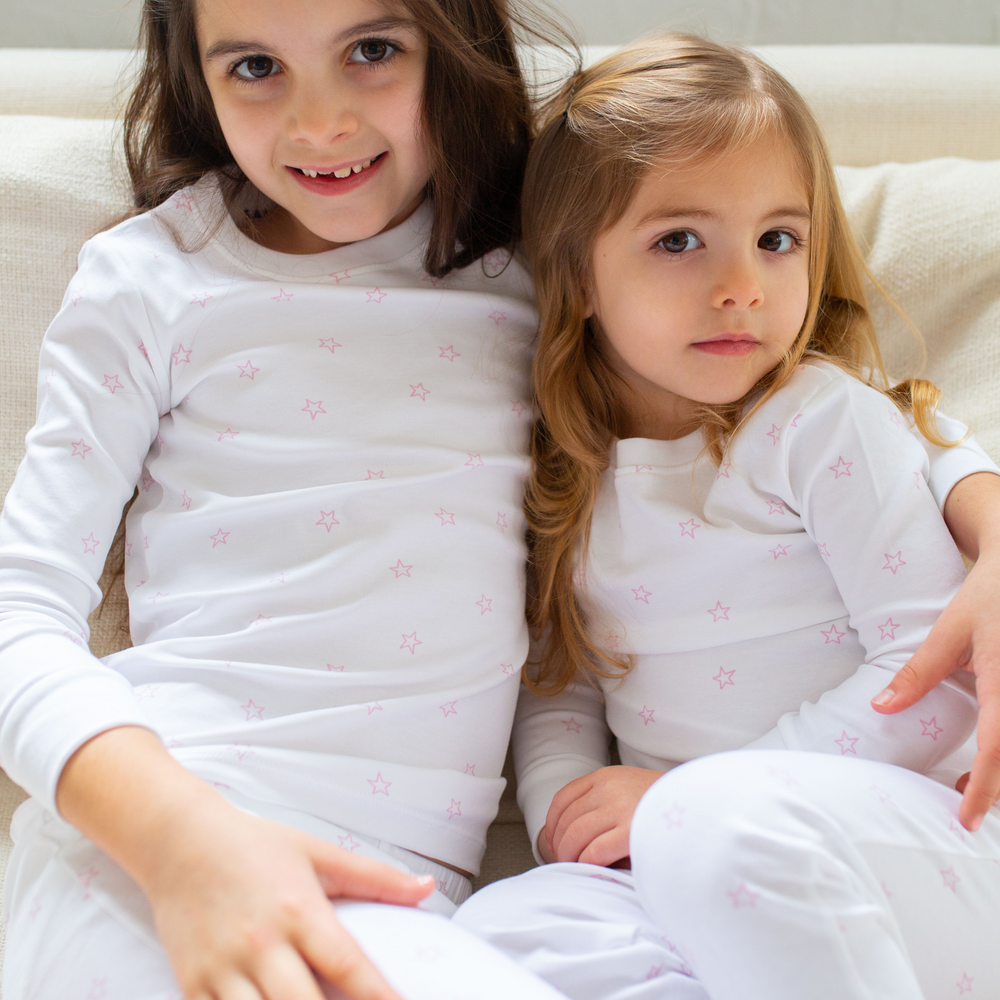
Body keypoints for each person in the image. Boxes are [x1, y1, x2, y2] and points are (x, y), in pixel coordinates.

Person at [0, 1, 573, 998]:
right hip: (152, 837)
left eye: (373, 51)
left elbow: (800, 396)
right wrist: (184, 846)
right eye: (257, 66)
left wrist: (953, 505)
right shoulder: (153, 277)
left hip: (393, 898)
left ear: (457, 47)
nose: (320, 124)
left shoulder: (546, 275)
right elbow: (17, 608)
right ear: (196, 80)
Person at [453, 34, 1000, 1000]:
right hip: (693, 863)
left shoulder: (823, 423)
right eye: (678, 241)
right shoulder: (562, 469)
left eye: (777, 240)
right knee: (500, 929)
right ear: (577, 275)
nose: (742, 283)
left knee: (718, 830)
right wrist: (569, 825)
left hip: (907, 835)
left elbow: (935, 676)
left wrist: (675, 801)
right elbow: (561, 684)